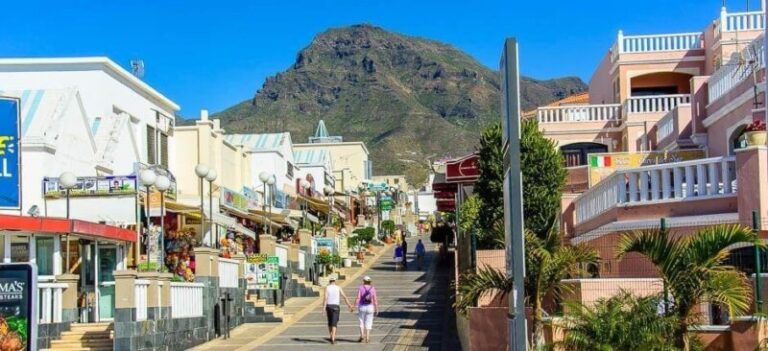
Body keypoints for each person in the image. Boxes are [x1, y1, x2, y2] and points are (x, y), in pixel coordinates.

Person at [323, 277, 353, 344]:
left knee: (330, 322)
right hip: (336, 306)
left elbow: (325, 298)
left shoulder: (327, 288)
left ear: (329, 281)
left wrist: (323, 308)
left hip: (329, 306)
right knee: (334, 323)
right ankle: (333, 338)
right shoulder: (338, 287)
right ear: (335, 281)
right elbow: (344, 297)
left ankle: (331, 336)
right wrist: (349, 305)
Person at [354, 276, 379, 343]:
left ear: (364, 281)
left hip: (362, 306)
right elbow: (375, 299)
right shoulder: (373, 288)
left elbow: (358, 298)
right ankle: (367, 337)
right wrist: (376, 309)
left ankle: (362, 335)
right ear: (370, 281)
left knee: (361, 321)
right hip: (370, 307)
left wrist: (353, 306)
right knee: (369, 322)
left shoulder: (361, 288)